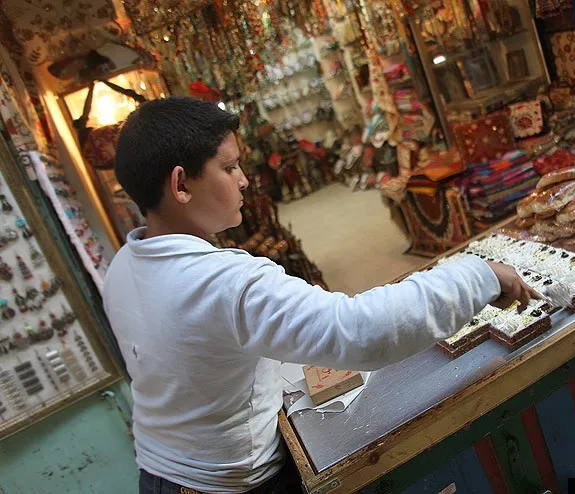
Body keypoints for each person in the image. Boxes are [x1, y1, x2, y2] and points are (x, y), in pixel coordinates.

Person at [104, 97, 539, 494]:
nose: (244, 180)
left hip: (159, 474)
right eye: (230, 167)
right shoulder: (223, 281)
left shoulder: (125, 263)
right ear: (181, 185)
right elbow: (362, 331)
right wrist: (478, 275)